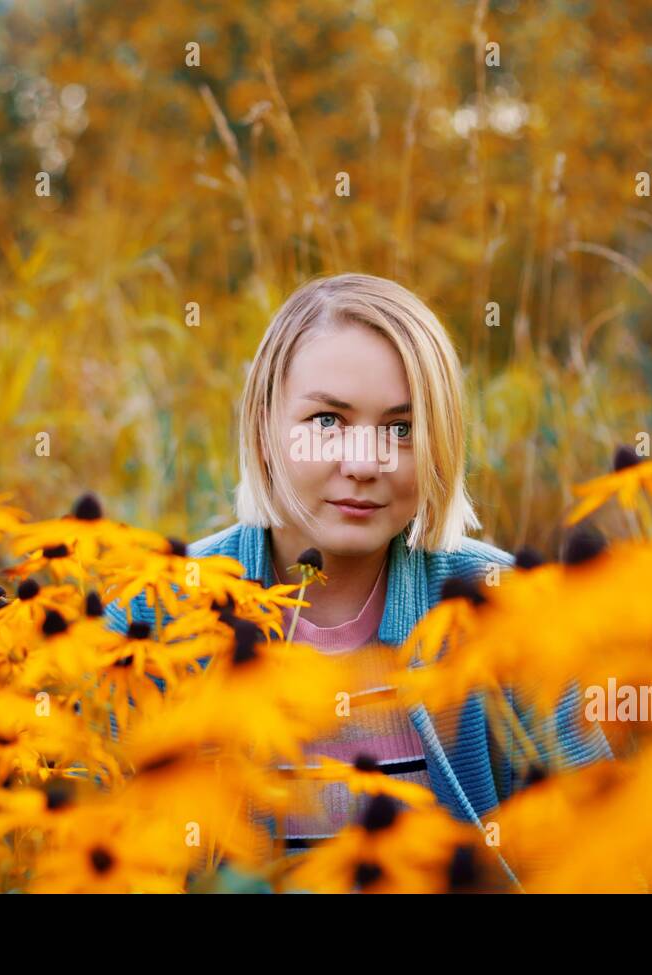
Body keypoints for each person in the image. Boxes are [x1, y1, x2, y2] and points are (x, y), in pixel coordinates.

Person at [105, 272, 611, 865]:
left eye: (402, 429)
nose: (365, 462)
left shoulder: (505, 608)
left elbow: (601, 843)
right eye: (328, 422)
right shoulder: (156, 610)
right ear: (266, 428)